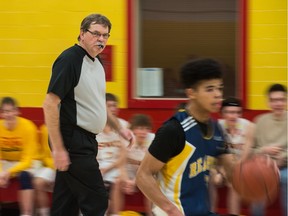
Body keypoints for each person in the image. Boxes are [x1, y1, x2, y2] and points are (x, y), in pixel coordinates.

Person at [43, 14, 132, 216]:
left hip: (87, 140)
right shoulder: (70, 59)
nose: (101, 39)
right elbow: (50, 103)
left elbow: (99, 104)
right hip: (73, 140)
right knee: (98, 199)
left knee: (66, 202)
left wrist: (120, 130)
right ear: (82, 34)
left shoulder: (97, 63)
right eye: (96, 34)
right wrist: (58, 149)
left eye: (105, 35)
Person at [136, 58, 236, 216]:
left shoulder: (217, 130)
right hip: (174, 212)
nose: (218, 95)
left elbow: (233, 172)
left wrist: (256, 170)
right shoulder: (174, 129)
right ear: (191, 93)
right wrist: (169, 209)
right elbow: (143, 175)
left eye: (220, 88)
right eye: (209, 89)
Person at [209, 97, 254, 215]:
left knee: (235, 181)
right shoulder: (216, 127)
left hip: (240, 166)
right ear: (222, 113)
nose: (233, 116)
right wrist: (219, 171)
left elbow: (246, 153)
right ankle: (211, 213)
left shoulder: (248, 126)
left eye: (236, 112)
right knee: (210, 179)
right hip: (220, 165)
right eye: (229, 112)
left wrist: (232, 170)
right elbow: (213, 154)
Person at [250, 83, 287, 216]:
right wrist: (264, 150)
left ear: (286, 100)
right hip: (263, 166)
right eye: (274, 100)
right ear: (268, 102)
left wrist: (282, 157)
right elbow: (251, 150)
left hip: (285, 166)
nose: (278, 103)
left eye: (281, 99)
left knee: (286, 177)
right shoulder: (259, 121)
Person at [0, 96, 39, 216]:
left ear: (17, 111)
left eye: (11, 111)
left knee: (25, 176)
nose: (9, 114)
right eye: (6, 111)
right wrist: (1, 172)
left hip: (27, 162)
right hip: (6, 162)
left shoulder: (28, 127)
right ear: (1, 113)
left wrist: (8, 173)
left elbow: (27, 160)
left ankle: (26, 213)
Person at [111, 114, 154, 215]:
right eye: (139, 128)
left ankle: (150, 214)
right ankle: (115, 213)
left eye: (146, 129)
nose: (143, 132)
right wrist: (126, 180)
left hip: (145, 173)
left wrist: (136, 181)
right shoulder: (127, 139)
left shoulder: (153, 140)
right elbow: (121, 163)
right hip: (130, 172)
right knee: (117, 182)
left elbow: (150, 167)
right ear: (133, 130)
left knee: (150, 184)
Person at [97, 93, 129, 215]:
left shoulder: (124, 126)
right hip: (98, 165)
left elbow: (123, 155)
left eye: (114, 106)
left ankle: (116, 214)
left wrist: (107, 169)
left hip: (116, 165)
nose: (113, 109)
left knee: (117, 180)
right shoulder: (94, 127)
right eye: (109, 106)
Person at [33, 124, 55, 216]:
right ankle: (44, 213)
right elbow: (45, 154)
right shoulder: (45, 128)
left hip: (72, 167)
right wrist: (55, 167)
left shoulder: (73, 128)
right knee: (38, 183)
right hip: (53, 166)